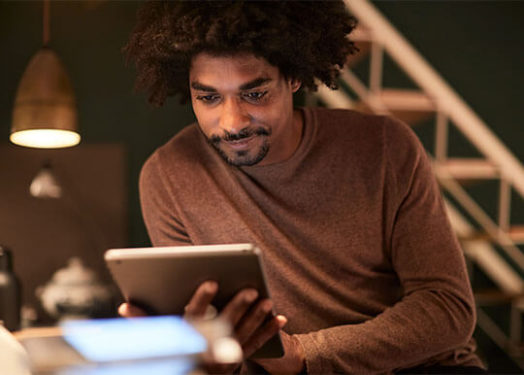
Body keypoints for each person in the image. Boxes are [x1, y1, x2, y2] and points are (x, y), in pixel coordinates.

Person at [120, 1, 485, 373]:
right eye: (209, 97)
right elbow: (216, 349)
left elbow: (447, 309)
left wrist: (306, 354)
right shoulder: (167, 175)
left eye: (255, 93)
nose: (232, 123)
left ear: (292, 78)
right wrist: (200, 357)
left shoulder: (385, 148)